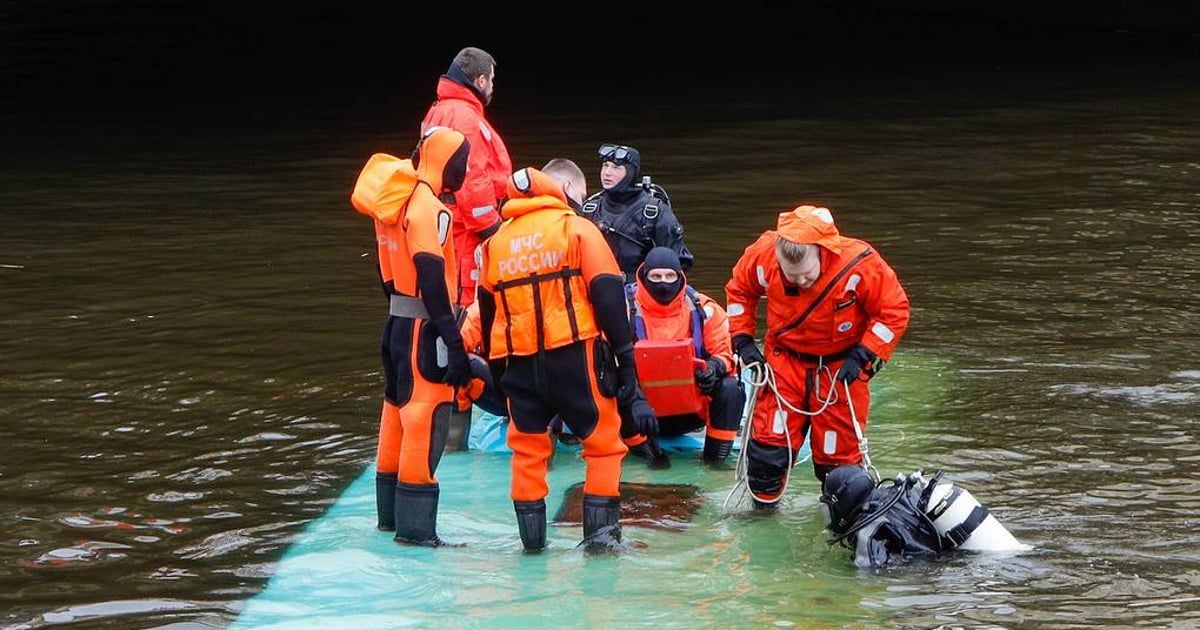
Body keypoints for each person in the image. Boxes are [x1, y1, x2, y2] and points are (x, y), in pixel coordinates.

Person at [477, 162, 658, 553]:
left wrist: (498, 376)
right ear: (559, 192)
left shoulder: (494, 244)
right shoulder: (576, 229)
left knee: (527, 453)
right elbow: (609, 297)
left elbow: (489, 315)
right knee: (603, 445)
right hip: (575, 357)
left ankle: (532, 549)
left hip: (519, 366)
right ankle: (601, 544)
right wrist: (627, 364)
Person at [725, 205, 910, 508]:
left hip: (839, 369)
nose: (800, 282)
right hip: (784, 362)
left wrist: (865, 354)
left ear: (822, 253)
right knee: (767, 452)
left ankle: (839, 517)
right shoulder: (763, 255)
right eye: (791, 276)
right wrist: (743, 340)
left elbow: (893, 311)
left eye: (807, 275)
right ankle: (762, 516)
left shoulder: (860, 264)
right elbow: (740, 291)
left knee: (838, 462)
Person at [377, 126, 473, 545]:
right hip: (424, 327)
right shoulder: (431, 209)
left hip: (396, 323)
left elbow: (385, 275)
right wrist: (453, 343)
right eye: (462, 163)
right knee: (424, 417)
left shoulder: (394, 205)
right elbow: (432, 278)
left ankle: (389, 520)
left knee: (394, 413)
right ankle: (416, 532)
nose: (464, 172)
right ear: (446, 162)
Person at [622, 247, 745, 467]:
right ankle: (651, 456)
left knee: (730, 387)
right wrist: (635, 397)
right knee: (614, 385)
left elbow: (726, 353)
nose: (663, 283)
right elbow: (607, 362)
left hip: (691, 410)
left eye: (670, 276)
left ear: (680, 277)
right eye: (656, 276)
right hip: (641, 411)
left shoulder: (704, 309)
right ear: (643, 276)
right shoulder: (623, 310)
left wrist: (713, 368)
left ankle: (715, 460)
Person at [420, 46, 512, 306]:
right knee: (467, 299)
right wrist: (493, 229)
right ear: (480, 81)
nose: (493, 86)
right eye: (491, 80)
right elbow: (471, 177)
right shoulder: (463, 116)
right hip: (465, 229)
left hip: (449, 222)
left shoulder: (439, 110)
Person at [820, 465, 1027, 568]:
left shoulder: (867, 532)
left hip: (947, 568)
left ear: (841, 503)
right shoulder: (898, 492)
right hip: (964, 550)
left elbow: (870, 574)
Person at [578, 143, 693, 279]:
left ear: (630, 173)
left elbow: (679, 262)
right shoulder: (589, 209)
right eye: (605, 165)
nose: (607, 172)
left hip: (641, 291)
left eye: (616, 168)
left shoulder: (654, 212)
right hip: (597, 287)